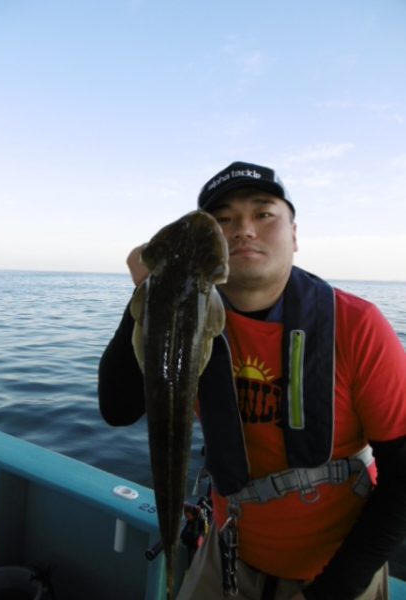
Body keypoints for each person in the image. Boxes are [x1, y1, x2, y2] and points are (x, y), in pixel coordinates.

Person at [98, 161, 406, 600]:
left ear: (295, 235)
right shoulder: (186, 315)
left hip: (337, 574)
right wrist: (151, 290)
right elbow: (117, 409)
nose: (243, 229)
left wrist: (333, 590)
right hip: (226, 555)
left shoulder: (358, 326)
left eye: (263, 214)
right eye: (223, 220)